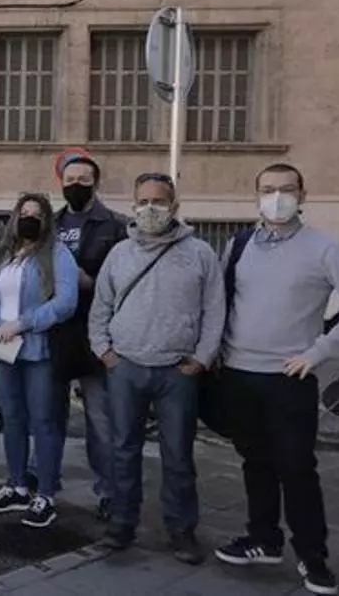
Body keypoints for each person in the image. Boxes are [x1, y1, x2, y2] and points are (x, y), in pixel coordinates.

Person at [213, 163, 339, 596]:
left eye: (287, 189)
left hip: (288, 379)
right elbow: (223, 302)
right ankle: (263, 539)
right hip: (239, 373)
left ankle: (313, 557)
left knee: (296, 468)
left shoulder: (324, 247)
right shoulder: (239, 245)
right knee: (255, 461)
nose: (277, 198)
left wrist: (320, 351)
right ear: (256, 196)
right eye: (268, 189)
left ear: (303, 195)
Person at [88, 172, 226, 565]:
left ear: (174, 206)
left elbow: (214, 309)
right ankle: (121, 523)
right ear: (134, 206)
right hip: (125, 367)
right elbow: (101, 306)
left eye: (159, 201)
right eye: (143, 201)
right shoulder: (120, 254)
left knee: (178, 455)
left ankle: (181, 530)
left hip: (176, 371)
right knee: (122, 450)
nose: (151, 209)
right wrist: (104, 351)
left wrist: (201, 358)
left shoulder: (199, 253)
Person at [0, 193, 79, 528]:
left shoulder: (57, 254)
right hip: (1, 347)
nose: (29, 218)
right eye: (24, 212)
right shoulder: (0, 254)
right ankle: (17, 485)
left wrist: (23, 323)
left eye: (37, 213)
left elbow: (66, 302)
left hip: (37, 348)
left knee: (44, 420)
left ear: (46, 220)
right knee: (12, 418)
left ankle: (45, 493)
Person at [45, 154, 129, 520]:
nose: (76, 184)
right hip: (55, 333)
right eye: (70, 179)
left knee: (101, 420)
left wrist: (90, 283)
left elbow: (124, 282)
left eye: (83, 178)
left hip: (96, 335)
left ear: (96, 181)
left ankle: (109, 492)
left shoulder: (116, 225)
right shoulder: (50, 224)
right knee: (49, 415)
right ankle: (44, 484)